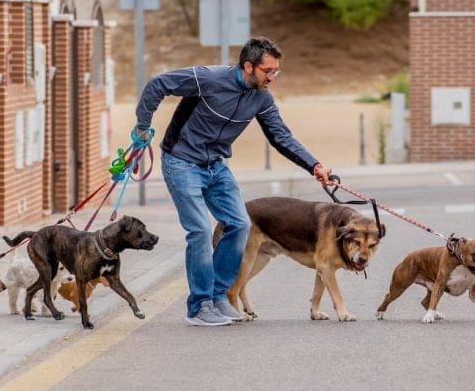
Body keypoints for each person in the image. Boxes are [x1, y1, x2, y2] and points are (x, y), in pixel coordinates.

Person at [135, 36, 332, 326]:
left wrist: (313, 165)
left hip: (216, 166)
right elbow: (158, 84)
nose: (272, 77)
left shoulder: (261, 98)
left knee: (239, 224)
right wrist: (143, 126)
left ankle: (218, 296)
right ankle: (199, 306)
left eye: (276, 71)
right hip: (181, 161)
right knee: (200, 230)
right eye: (268, 71)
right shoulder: (208, 79)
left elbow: (281, 136)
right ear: (248, 66)